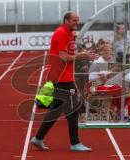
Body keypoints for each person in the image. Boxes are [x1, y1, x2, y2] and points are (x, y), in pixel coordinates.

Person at [31, 11, 92, 152]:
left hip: (62, 76)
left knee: (56, 109)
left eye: (78, 20)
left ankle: (38, 138)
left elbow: (70, 53)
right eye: (74, 20)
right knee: (73, 108)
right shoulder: (61, 33)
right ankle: (75, 143)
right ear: (66, 21)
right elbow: (64, 57)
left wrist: (79, 52)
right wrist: (82, 55)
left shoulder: (69, 33)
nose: (77, 22)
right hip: (62, 77)